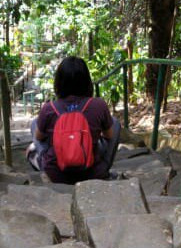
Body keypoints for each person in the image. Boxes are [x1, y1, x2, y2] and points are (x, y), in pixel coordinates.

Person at [28, 56, 120, 184]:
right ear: (87, 81)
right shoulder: (99, 105)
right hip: (93, 173)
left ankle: (41, 160)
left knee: (35, 124)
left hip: (56, 174)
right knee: (114, 123)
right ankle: (103, 168)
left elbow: (39, 136)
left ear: (59, 82)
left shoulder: (49, 108)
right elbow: (109, 135)